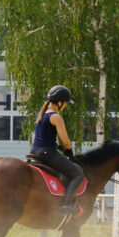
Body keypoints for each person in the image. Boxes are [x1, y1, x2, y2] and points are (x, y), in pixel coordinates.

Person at [30, 85, 84, 215]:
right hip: (47, 153)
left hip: (35, 152)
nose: (65, 106)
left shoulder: (41, 113)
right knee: (78, 174)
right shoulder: (56, 117)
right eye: (65, 103)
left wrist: (59, 147)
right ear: (59, 102)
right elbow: (66, 140)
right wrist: (69, 151)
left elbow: (48, 137)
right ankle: (65, 206)